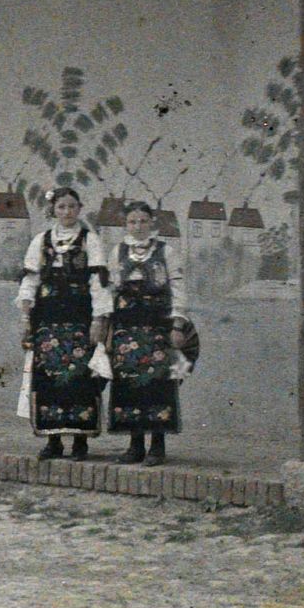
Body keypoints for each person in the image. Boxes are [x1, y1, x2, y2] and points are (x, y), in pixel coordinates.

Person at [16, 185, 112, 460]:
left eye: (71, 206)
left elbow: (99, 283)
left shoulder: (90, 240)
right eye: (61, 207)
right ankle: (53, 440)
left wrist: (99, 319)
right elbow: (30, 280)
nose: (67, 211)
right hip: (47, 321)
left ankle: (81, 441)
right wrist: (25, 316)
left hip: (80, 320)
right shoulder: (41, 241)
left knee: (81, 379)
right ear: (53, 210)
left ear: (79, 209)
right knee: (48, 379)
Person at [105, 199, 188, 464]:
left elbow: (178, 289)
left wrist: (177, 324)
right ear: (125, 224)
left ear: (152, 222)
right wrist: (107, 327)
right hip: (126, 328)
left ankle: (157, 446)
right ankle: (135, 445)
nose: (138, 226)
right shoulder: (118, 251)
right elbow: (110, 291)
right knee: (129, 384)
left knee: (157, 384)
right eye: (132, 221)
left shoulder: (166, 251)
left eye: (143, 221)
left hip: (157, 327)